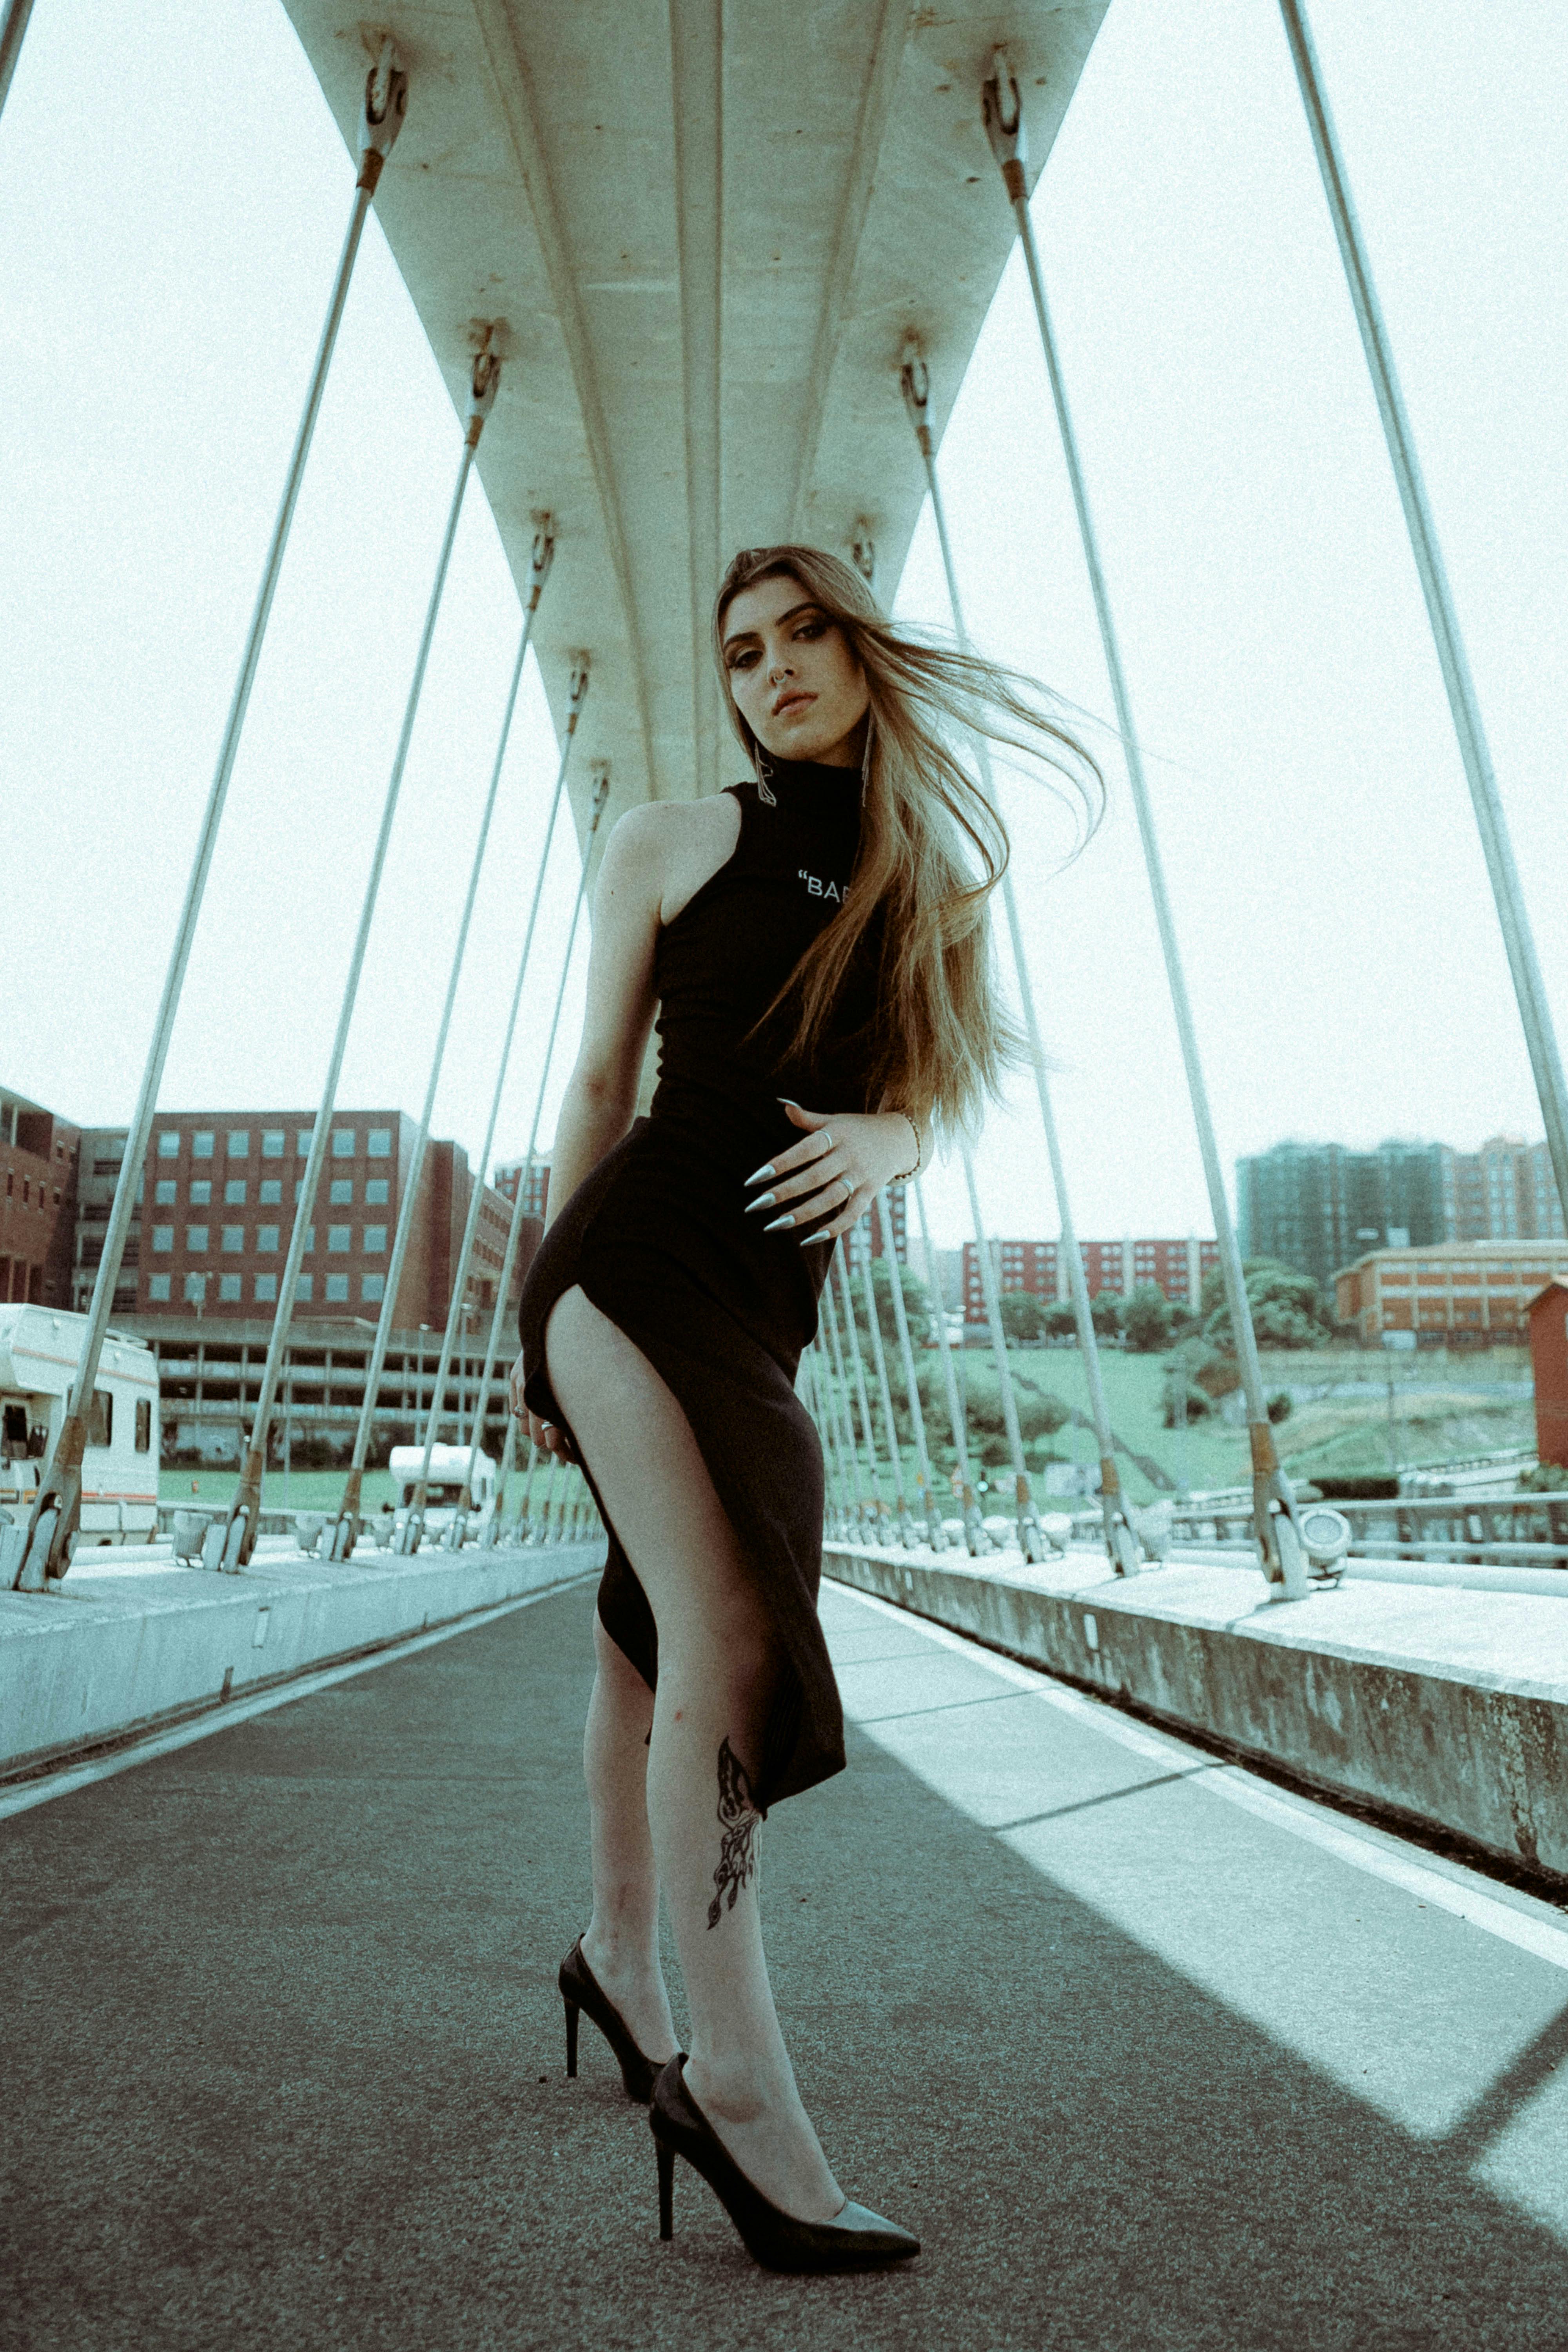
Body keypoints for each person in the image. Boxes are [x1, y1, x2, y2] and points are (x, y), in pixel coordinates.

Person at [509, 544, 1098, 2272]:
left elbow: (929, 1088)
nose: (767, 671)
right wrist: (526, 1324)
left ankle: (622, 1962)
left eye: (798, 636)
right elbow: (603, 1081)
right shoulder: (673, 840)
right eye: (739, 652)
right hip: (629, 1264)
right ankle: (739, 2091)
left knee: (646, 1636)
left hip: (764, 1311)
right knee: (731, 1642)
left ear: (863, 644)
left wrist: (897, 1140)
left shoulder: (929, 883)